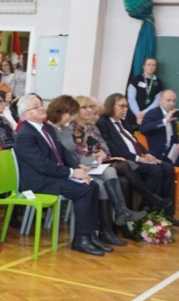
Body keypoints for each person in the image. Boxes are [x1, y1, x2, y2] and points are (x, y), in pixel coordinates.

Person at [14, 94, 104, 256]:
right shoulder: (25, 135)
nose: (42, 108)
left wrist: (77, 168)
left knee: (93, 185)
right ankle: (81, 239)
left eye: (41, 104)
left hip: (51, 176)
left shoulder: (47, 128)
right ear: (26, 115)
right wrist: (71, 172)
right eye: (36, 107)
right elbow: (42, 165)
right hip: (38, 182)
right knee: (83, 190)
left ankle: (91, 234)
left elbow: (62, 152)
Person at [48, 95, 143, 247]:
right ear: (61, 112)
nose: (71, 117)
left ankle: (111, 223)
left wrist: (99, 155)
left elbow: (80, 151)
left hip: (82, 165)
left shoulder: (65, 129)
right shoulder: (55, 130)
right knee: (100, 185)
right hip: (70, 169)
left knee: (111, 173)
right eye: (70, 113)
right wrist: (79, 166)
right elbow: (66, 155)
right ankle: (98, 231)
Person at [95, 93, 179, 226]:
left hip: (138, 157)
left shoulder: (123, 122)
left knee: (168, 168)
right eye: (121, 106)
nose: (125, 109)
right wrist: (139, 158)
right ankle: (148, 206)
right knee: (155, 170)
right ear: (111, 105)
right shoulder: (103, 122)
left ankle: (167, 214)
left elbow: (135, 142)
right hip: (125, 159)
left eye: (126, 106)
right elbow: (113, 148)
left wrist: (147, 154)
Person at [126, 57, 163, 128]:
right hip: (133, 114)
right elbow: (131, 99)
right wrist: (138, 114)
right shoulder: (136, 80)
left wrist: (144, 112)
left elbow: (157, 101)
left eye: (153, 65)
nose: (151, 67)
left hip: (149, 115)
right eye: (148, 65)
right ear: (144, 66)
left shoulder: (158, 82)